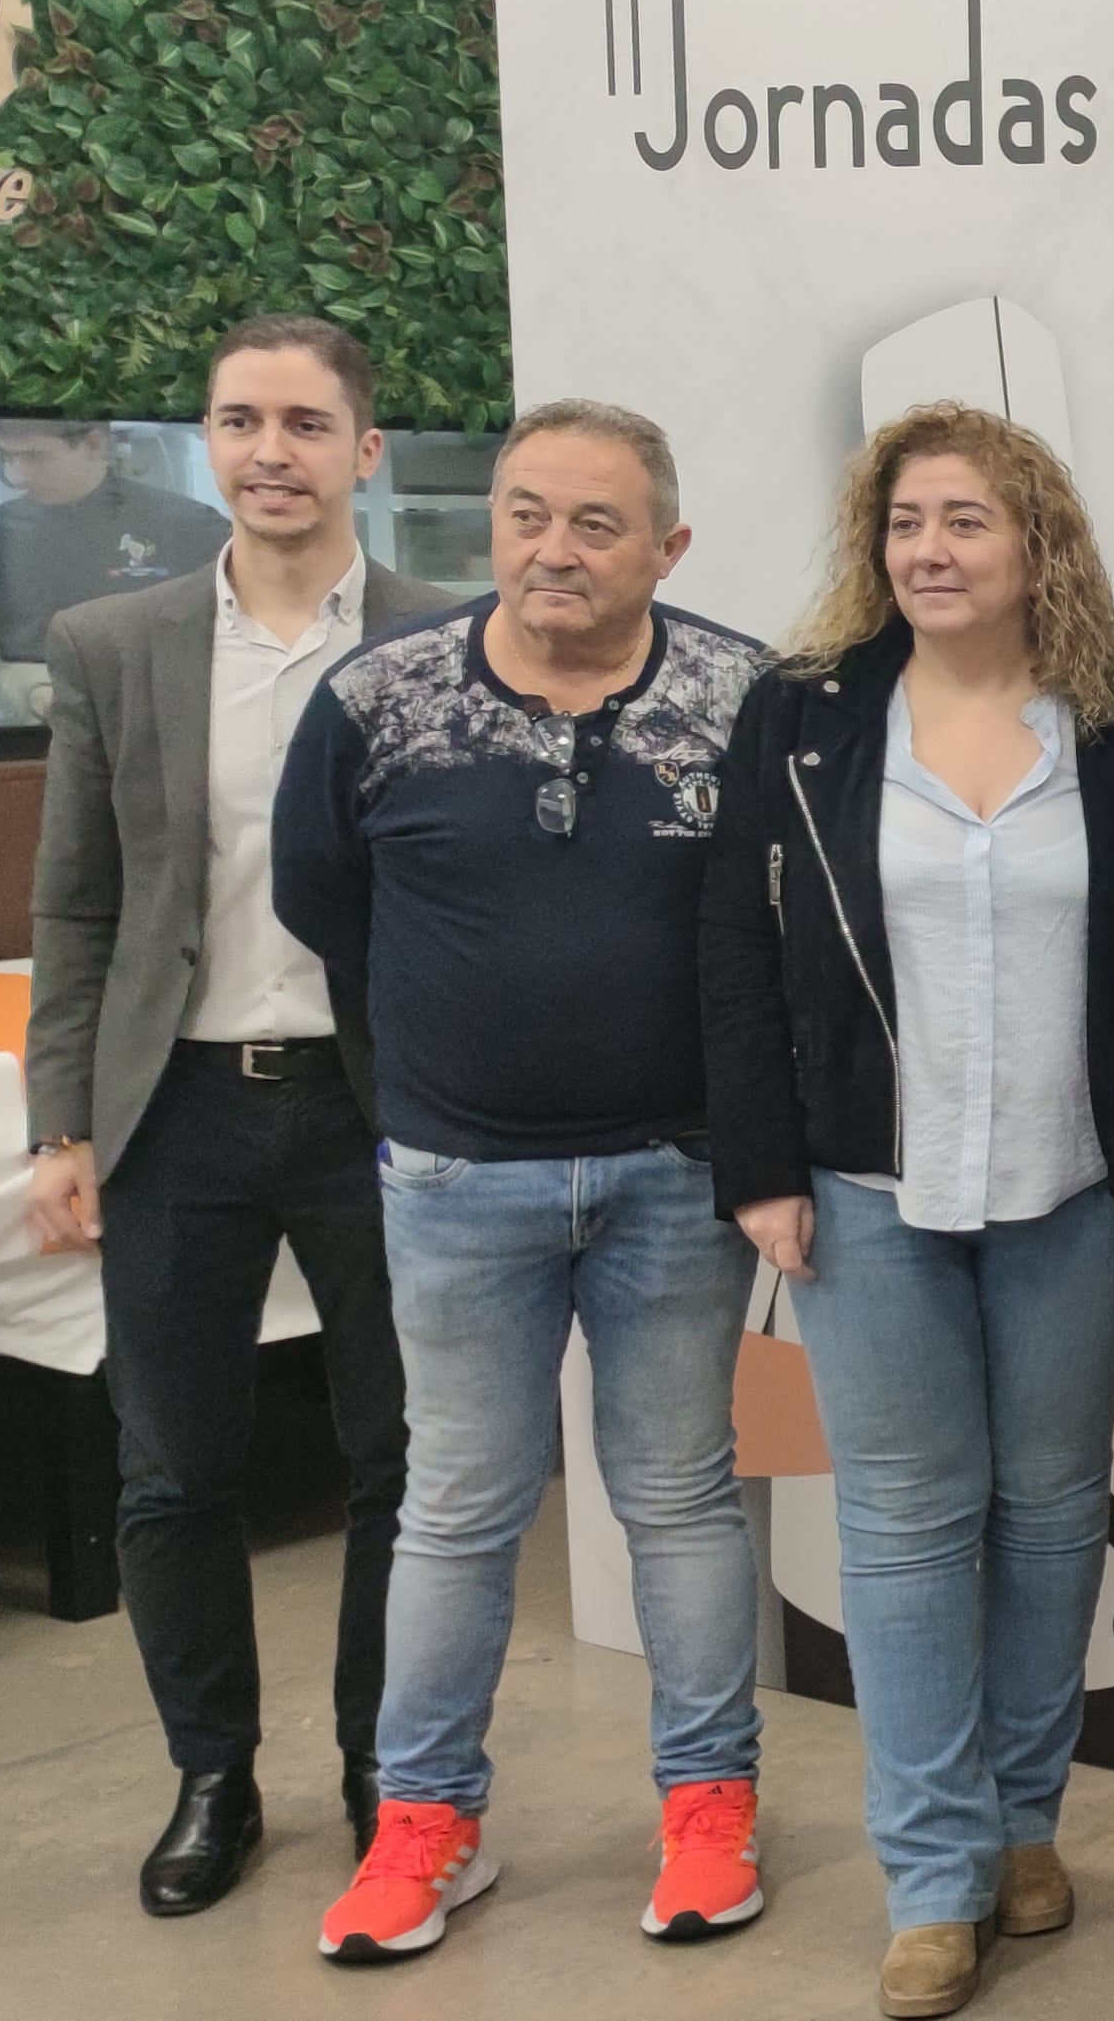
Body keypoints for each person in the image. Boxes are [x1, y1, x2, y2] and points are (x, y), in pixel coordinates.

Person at [271, 399, 773, 1963]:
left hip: (677, 1178)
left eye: (598, 524)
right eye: (525, 514)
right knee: (459, 1507)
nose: (554, 549)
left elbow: (770, 928)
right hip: (455, 1175)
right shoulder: (378, 699)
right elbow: (324, 904)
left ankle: (708, 1810)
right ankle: (424, 1824)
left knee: (680, 1502)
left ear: (668, 547)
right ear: (488, 524)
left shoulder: (743, 698)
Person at [699, 404, 1114, 2018]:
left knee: (1046, 1517)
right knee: (902, 1528)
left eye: (968, 519)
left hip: (1075, 1188)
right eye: (906, 522)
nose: (932, 550)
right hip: (862, 1186)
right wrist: (756, 1167)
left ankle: (1030, 1824)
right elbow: (735, 959)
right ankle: (937, 1873)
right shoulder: (806, 716)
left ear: (1040, 542)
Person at [23, 317, 454, 1914]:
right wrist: (58, 1120)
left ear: (367, 447)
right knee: (171, 1469)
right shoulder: (112, 642)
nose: (268, 449)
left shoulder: (439, 636)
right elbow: (77, 905)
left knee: (402, 1461)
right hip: (178, 1109)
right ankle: (213, 1774)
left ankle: (382, 1768)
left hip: (379, 1113)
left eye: (302, 420)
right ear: (207, 443)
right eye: (235, 419)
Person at [0, 417, 230, 724]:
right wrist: (6, 687)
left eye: (34, 457)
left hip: (154, 737)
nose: (17, 476)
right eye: (5, 457)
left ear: (94, 443)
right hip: (23, 743)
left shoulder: (190, 527)